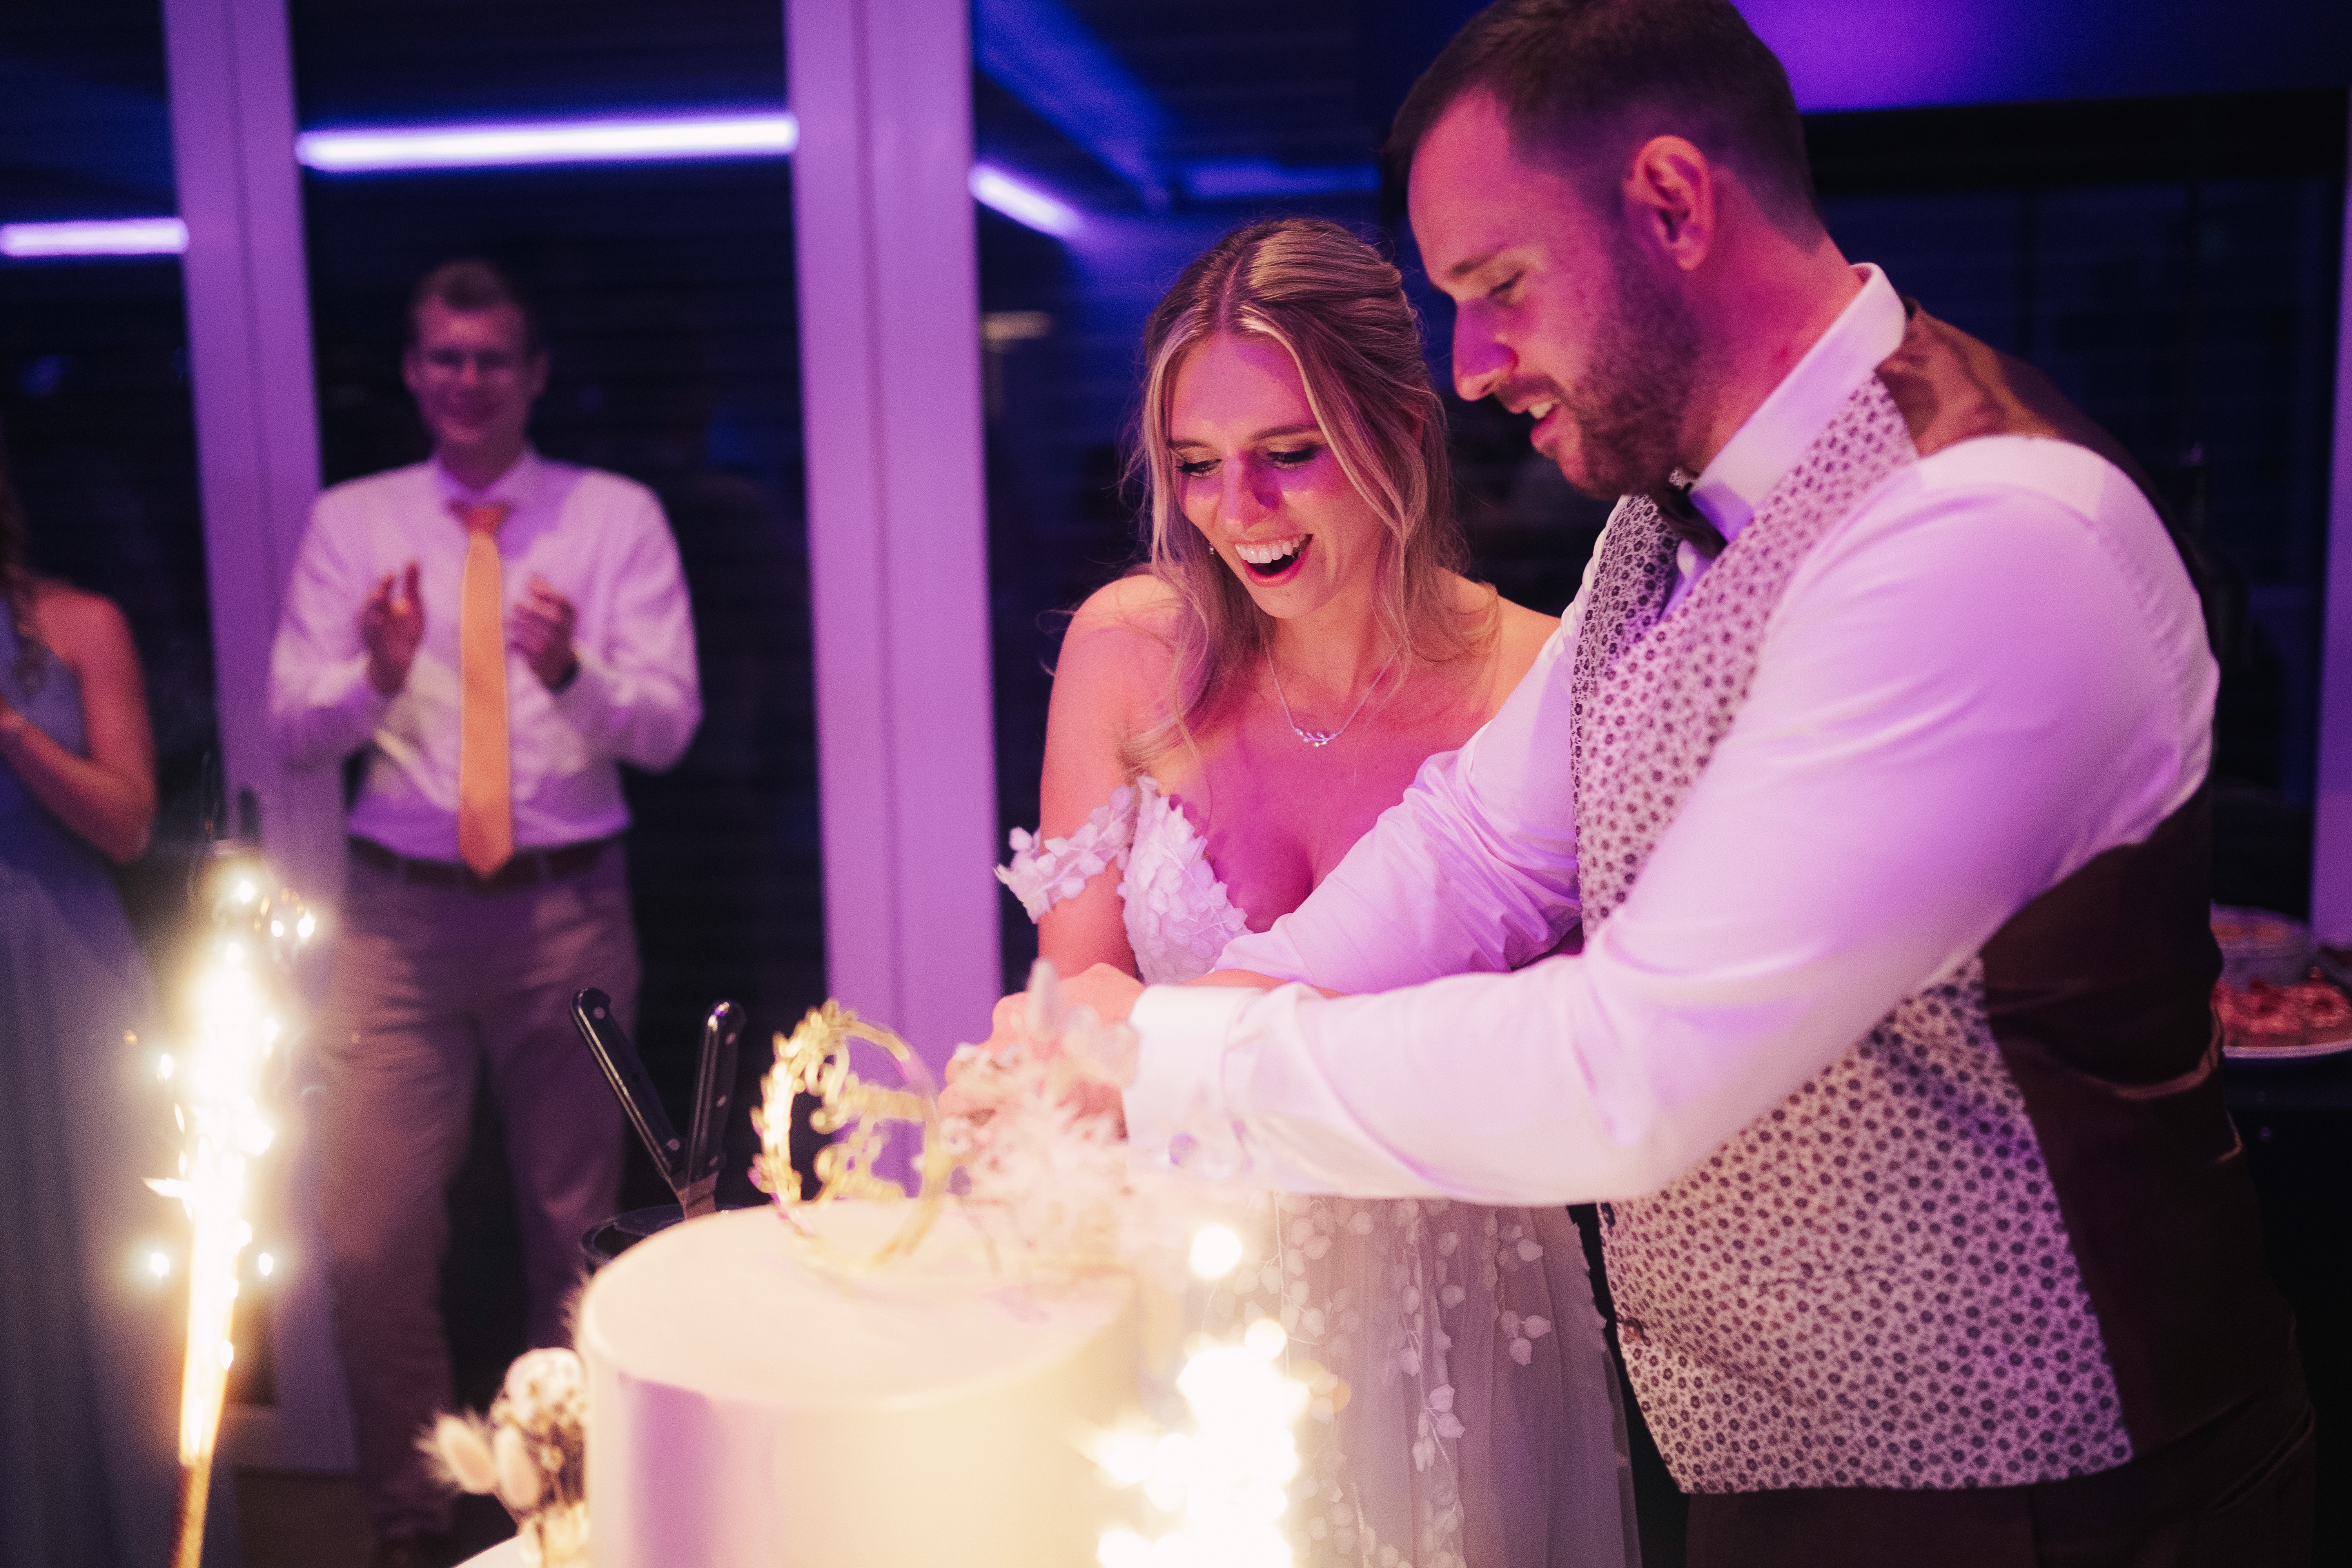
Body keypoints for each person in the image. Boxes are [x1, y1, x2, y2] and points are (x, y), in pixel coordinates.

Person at [974, 3, 2313, 1564]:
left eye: (1499, 289)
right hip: (1770, 1467)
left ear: (1673, 205)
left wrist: (1168, 1059)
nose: (1472, 368)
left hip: (2045, 1494)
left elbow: (1630, 1069)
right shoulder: (1655, 530)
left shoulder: (1983, 535)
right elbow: (1478, 852)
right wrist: (1176, 1019)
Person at [983, 216, 1638, 1567]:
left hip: (1456, 1319)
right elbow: (1082, 997)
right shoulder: (1127, 654)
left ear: (1403, 429)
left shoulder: (1538, 686)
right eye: (1197, 465)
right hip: (1182, 1290)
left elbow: (1585, 1059)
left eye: (1290, 453)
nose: (1240, 511)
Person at [269, 260, 700, 1568]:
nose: (467, 380)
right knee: (370, 1244)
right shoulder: (354, 521)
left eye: (492, 358)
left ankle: (564, 1519)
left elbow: (669, 726)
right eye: (444, 358)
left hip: (566, 913)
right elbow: (292, 728)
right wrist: (374, 675)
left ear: (534, 373)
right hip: (398, 925)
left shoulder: (613, 517)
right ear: (413, 373)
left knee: (574, 1232)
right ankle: (409, 1527)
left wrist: (570, 670)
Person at [0, 423, 180, 1566]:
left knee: (107, 1274)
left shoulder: (80, 626)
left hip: (62, 965)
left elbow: (129, 823)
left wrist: (12, 729)